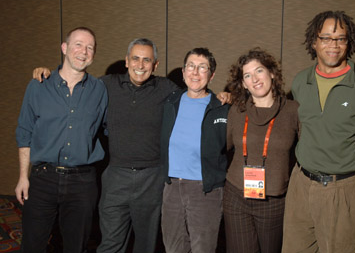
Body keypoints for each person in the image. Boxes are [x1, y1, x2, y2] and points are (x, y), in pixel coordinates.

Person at [32, 39, 229, 253]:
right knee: (110, 243)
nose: (140, 65)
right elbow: (75, 82)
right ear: (127, 61)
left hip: (152, 178)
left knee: (146, 244)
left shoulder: (167, 90)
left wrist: (224, 96)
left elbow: (198, 92)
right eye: (135, 58)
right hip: (116, 175)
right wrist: (50, 74)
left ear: (155, 65)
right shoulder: (106, 85)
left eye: (147, 60)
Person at [282, 11, 355, 253]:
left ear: (349, 43)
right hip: (300, 184)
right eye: (327, 38)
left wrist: (345, 165)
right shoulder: (300, 82)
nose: (334, 45)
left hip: (342, 189)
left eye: (341, 38)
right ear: (314, 41)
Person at [15, 27, 108, 253]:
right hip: (42, 178)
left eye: (89, 47)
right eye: (78, 44)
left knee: (76, 247)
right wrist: (22, 177)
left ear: (93, 54)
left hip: (82, 183)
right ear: (64, 48)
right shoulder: (38, 85)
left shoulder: (100, 90)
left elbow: (107, 129)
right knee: (32, 245)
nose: (83, 51)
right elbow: (24, 132)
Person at [223, 47, 299, 253]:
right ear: (243, 84)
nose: (254, 78)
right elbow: (222, 147)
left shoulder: (293, 110)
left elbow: (307, 153)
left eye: (259, 71)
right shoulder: (236, 110)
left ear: (272, 73)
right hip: (236, 195)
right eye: (247, 75)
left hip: (273, 200)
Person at [160, 48, 229, 253]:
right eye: (191, 66)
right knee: (173, 248)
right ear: (183, 72)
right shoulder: (170, 102)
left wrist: (232, 96)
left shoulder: (222, 107)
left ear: (212, 74)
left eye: (202, 67)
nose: (195, 73)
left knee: (203, 248)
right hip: (172, 187)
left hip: (205, 190)